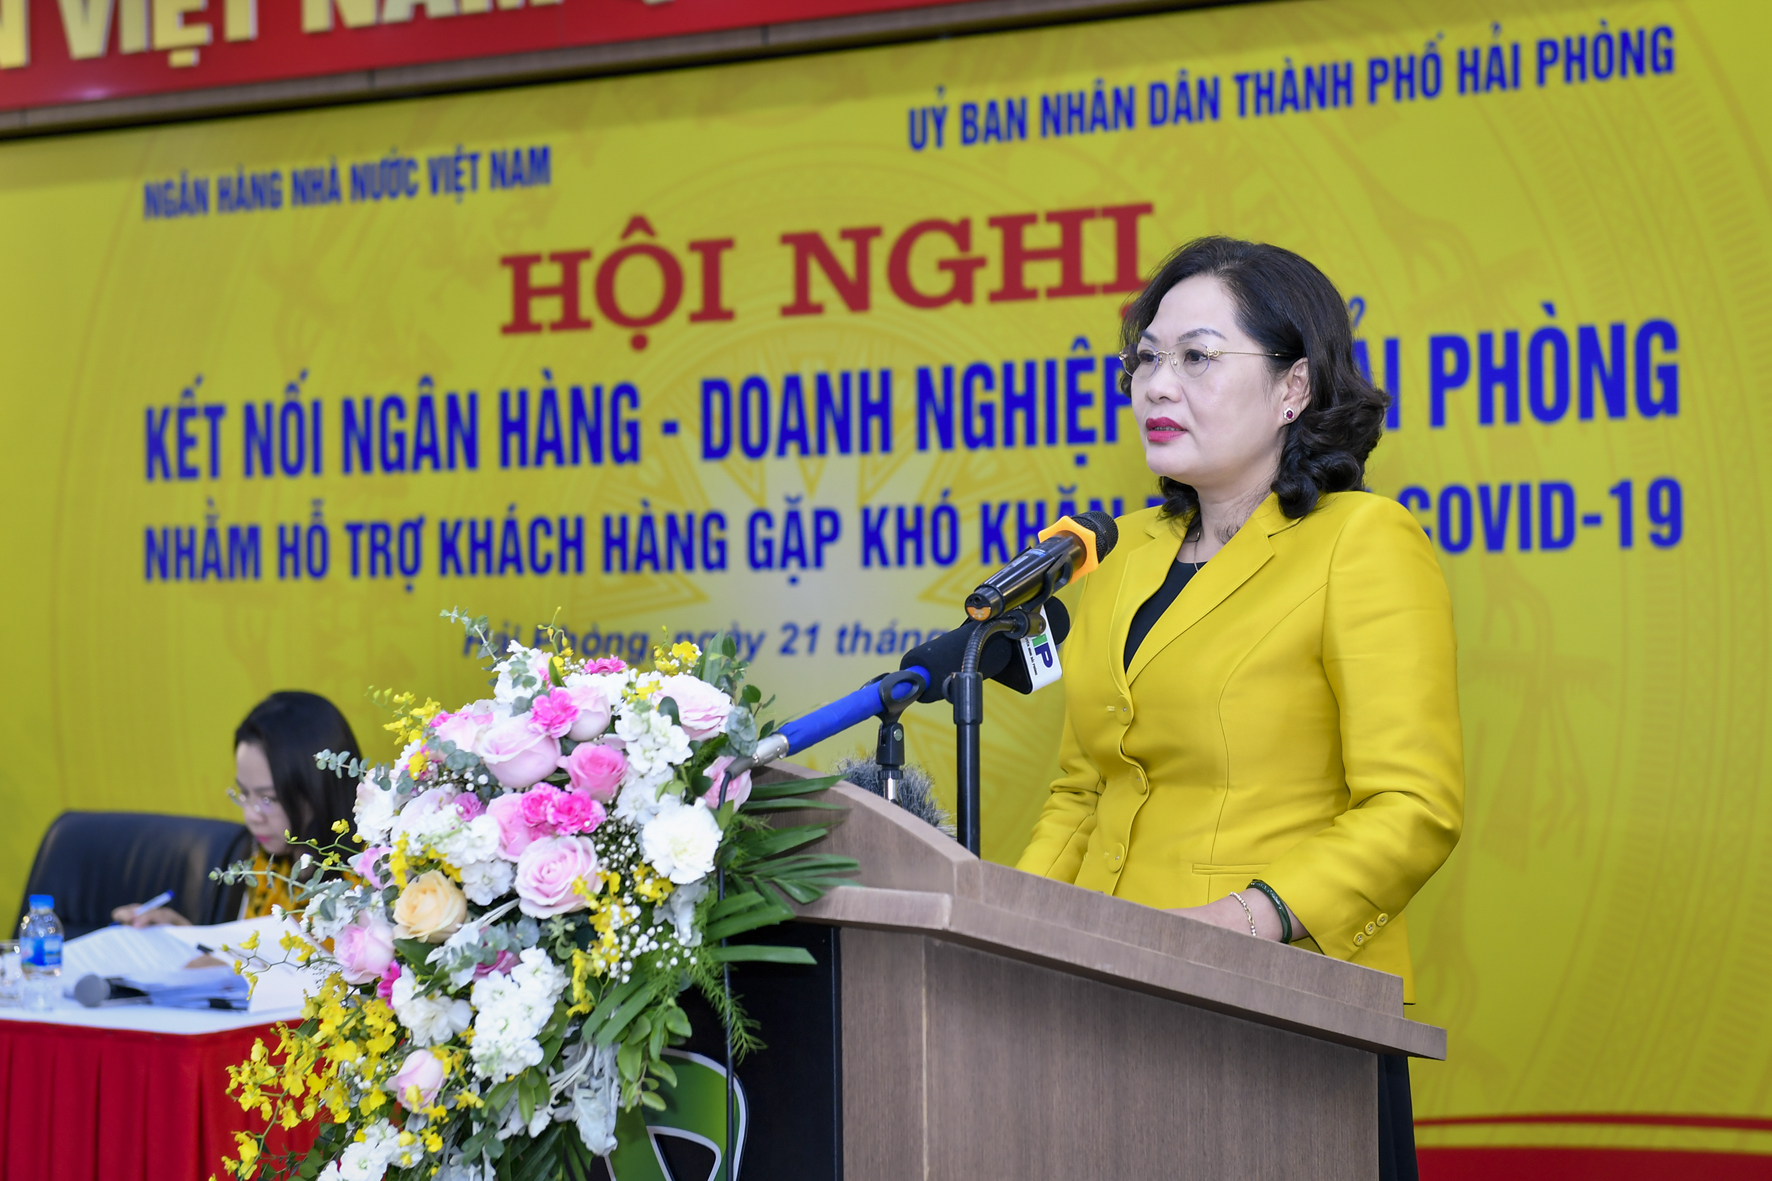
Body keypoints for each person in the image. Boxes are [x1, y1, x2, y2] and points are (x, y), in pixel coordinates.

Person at [1015, 236, 1464, 1181]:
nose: (1156, 384)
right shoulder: (1122, 554)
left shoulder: (1360, 542)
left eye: (1197, 356)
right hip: (1100, 1003)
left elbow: (1413, 806)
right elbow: (1083, 792)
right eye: (1145, 358)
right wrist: (1008, 937)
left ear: (1294, 387)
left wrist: (1246, 919)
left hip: (1274, 1008)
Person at [115, 691, 363, 926]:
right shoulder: (267, 863)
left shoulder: (368, 879)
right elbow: (252, 952)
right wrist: (179, 932)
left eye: (268, 799)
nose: (251, 816)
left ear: (319, 790)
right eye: (244, 793)